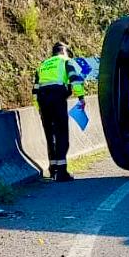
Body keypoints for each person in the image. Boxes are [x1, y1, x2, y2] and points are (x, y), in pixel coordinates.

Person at [33, 42, 86, 182]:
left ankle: (52, 170)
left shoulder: (43, 65)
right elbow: (75, 80)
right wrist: (81, 98)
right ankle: (62, 173)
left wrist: (38, 107)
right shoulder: (66, 61)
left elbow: (35, 89)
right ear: (64, 51)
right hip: (57, 98)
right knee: (61, 133)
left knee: (50, 135)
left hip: (43, 100)